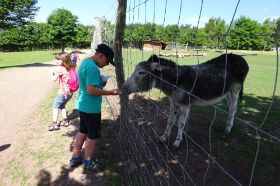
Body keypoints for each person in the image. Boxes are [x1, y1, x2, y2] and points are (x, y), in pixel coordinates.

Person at [69, 44, 121, 172]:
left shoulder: (86, 62)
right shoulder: (93, 68)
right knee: (92, 135)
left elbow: (88, 84)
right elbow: (91, 90)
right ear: (100, 55)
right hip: (91, 107)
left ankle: (75, 157)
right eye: (107, 61)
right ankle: (87, 161)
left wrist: (100, 83)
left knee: (83, 130)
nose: (107, 64)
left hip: (83, 104)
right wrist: (111, 92)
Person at [49, 53, 76, 131]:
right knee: (62, 105)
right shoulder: (69, 67)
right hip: (70, 92)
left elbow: (54, 79)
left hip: (62, 92)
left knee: (55, 106)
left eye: (58, 59)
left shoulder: (59, 69)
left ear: (63, 60)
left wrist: (51, 73)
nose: (56, 61)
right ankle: (65, 121)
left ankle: (54, 124)